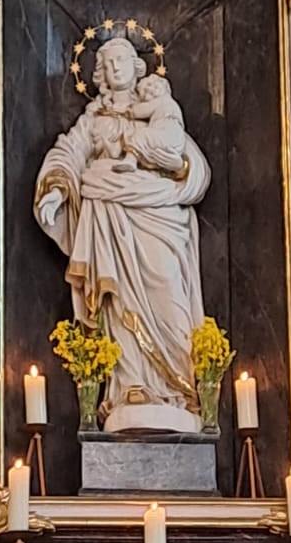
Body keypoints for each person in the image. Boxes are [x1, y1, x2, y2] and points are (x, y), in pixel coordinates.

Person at [35, 38, 211, 434]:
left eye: (121, 60)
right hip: (111, 222)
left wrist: (175, 171)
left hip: (160, 216)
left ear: (137, 68)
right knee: (118, 308)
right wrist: (56, 191)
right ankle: (130, 387)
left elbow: (192, 165)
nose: (114, 67)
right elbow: (68, 153)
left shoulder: (161, 111)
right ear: (98, 74)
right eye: (106, 62)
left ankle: (177, 390)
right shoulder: (93, 119)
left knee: (168, 287)